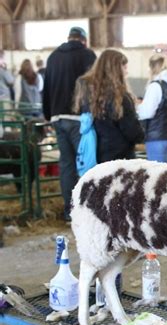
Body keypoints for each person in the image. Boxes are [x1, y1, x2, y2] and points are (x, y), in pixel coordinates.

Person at [42, 26, 96, 221]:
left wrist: (48, 114)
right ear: (83, 40)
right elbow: (93, 85)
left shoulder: (53, 57)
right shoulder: (87, 55)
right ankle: (88, 211)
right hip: (80, 118)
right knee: (86, 163)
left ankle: (69, 211)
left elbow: (46, 87)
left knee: (66, 164)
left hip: (58, 117)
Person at [73, 49, 144, 164]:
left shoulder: (87, 95)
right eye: (124, 67)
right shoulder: (121, 98)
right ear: (116, 69)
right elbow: (133, 132)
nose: (126, 72)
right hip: (120, 159)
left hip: (96, 156)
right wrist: (143, 133)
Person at [138, 53, 167, 163]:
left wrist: (137, 108)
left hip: (158, 137)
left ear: (152, 67)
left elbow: (147, 112)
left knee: (157, 176)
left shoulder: (156, 85)